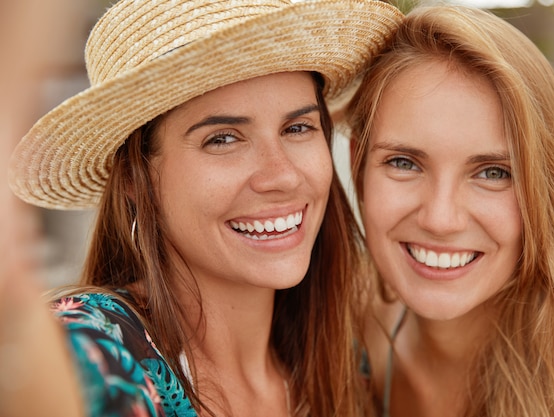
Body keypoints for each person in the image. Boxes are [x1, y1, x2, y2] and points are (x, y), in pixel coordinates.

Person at [3, 0, 403, 416]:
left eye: (298, 127)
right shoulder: (102, 349)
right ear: (133, 181)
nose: (282, 175)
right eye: (223, 138)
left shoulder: (342, 368)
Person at [346, 5, 554, 417]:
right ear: (358, 165)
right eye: (404, 162)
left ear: (546, 188)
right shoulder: (337, 335)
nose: (441, 219)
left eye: (493, 172)